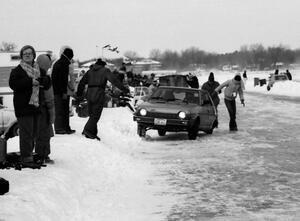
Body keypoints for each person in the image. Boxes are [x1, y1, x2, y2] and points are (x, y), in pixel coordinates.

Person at [9, 45, 51, 168]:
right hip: (23, 107)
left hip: (36, 106)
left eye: (30, 53)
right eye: (25, 53)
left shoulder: (39, 70)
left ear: (34, 55)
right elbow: (13, 84)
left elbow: (48, 83)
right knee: (26, 134)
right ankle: (26, 159)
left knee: (34, 134)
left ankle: (29, 156)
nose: (27, 55)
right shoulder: (17, 71)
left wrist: (43, 81)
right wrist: (30, 82)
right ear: (22, 56)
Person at [76, 58, 129, 140]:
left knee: (92, 114)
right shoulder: (105, 70)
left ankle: (92, 132)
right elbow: (114, 81)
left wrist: (79, 95)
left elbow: (82, 82)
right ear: (103, 64)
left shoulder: (90, 71)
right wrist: (124, 89)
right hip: (98, 94)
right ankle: (87, 130)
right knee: (96, 115)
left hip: (89, 94)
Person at [35, 54, 55, 164]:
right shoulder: (45, 77)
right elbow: (49, 97)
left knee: (41, 133)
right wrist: (52, 112)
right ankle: (42, 155)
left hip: (36, 108)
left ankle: (42, 154)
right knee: (44, 133)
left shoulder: (34, 73)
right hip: (44, 109)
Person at [51, 46, 75, 134]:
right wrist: (64, 92)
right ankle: (60, 129)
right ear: (70, 56)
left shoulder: (59, 63)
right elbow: (63, 80)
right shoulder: (64, 64)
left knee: (63, 110)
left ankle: (65, 128)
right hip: (60, 92)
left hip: (58, 90)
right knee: (61, 110)